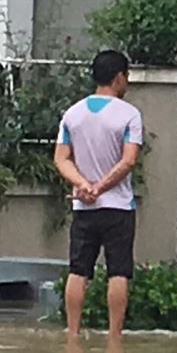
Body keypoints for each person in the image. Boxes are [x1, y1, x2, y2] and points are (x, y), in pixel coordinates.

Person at [54, 49, 144, 336]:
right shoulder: (130, 115)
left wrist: (83, 186)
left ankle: (73, 333)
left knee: (78, 270)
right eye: (126, 76)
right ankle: (115, 336)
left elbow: (61, 159)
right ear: (119, 77)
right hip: (118, 207)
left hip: (84, 208)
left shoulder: (72, 114)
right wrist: (100, 187)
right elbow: (129, 160)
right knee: (118, 272)